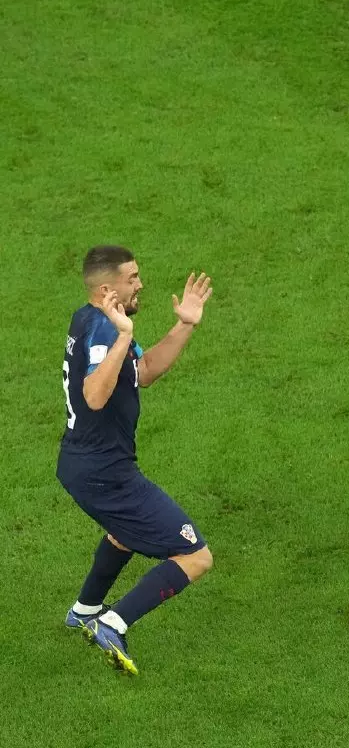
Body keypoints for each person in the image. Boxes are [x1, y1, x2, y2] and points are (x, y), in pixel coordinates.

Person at [58, 245, 214, 675]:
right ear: (108, 289)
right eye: (132, 278)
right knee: (196, 557)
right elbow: (94, 395)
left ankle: (85, 609)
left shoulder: (88, 318)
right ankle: (113, 623)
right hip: (105, 473)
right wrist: (124, 334)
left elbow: (141, 372)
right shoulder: (109, 331)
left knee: (124, 533)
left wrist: (184, 325)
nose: (141, 283)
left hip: (83, 464)